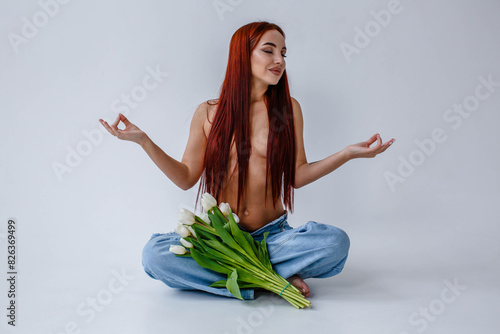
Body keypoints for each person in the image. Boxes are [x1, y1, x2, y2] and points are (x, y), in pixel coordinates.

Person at [99, 21, 395, 301]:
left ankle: (247, 275)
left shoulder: (288, 110)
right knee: (154, 256)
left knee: (335, 243)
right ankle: (269, 277)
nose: (279, 59)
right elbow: (186, 176)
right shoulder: (208, 113)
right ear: (243, 56)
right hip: (220, 237)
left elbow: (297, 176)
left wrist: (347, 153)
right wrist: (144, 141)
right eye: (269, 50)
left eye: (283, 52)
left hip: (273, 237)